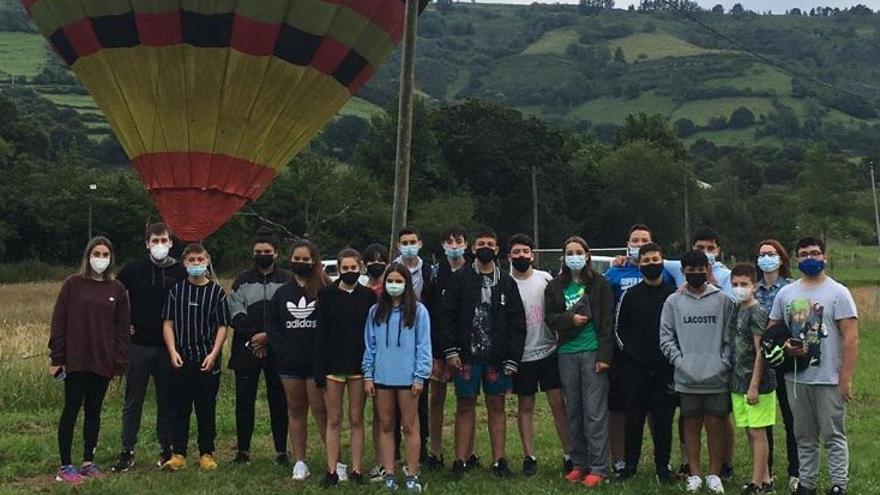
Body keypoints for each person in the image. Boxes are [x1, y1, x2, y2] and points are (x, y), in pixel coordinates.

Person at [769, 237, 859, 495]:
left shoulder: (838, 292)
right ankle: (806, 483)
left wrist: (845, 377)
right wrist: (785, 346)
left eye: (815, 253)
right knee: (804, 436)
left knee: (833, 436)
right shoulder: (786, 293)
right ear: (797, 259)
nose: (810, 258)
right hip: (797, 378)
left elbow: (851, 337)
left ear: (824, 257)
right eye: (805, 254)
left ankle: (838, 484)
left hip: (828, 377)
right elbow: (773, 331)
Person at [440, 229, 526, 480]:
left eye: (490, 243)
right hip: (466, 357)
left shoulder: (507, 282)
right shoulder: (460, 278)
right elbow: (447, 317)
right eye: (481, 244)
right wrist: (451, 351)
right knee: (465, 407)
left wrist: (512, 358)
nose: (485, 247)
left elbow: (517, 323)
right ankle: (460, 460)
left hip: (497, 359)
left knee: (497, 407)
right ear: (473, 249)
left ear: (497, 249)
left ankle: (499, 460)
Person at [50, 236, 130, 484]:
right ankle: (65, 465)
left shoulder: (117, 290)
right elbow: (59, 322)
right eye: (97, 253)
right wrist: (57, 357)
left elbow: (122, 328)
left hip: (102, 361)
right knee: (71, 410)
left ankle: (88, 461)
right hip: (75, 361)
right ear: (88, 256)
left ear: (111, 258)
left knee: (94, 412)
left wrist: (119, 361)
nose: (101, 259)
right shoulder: (73, 284)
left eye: (106, 254)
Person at [663, 226, 736, 480]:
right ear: (683, 272)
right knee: (690, 424)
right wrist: (680, 362)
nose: (695, 274)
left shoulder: (723, 300)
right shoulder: (673, 301)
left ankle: (714, 474)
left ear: (708, 269)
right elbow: (666, 338)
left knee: (716, 425)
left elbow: (730, 338)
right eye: (690, 270)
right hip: (686, 376)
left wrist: (723, 363)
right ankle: (694, 474)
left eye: (700, 269)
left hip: (716, 376)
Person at [112, 223, 185, 473]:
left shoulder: (181, 270)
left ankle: (166, 448)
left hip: (168, 347)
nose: (160, 245)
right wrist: (123, 325)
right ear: (147, 243)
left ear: (172, 242)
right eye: (155, 240)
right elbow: (114, 297)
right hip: (139, 346)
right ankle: (127, 450)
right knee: (133, 400)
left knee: (166, 400)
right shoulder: (133, 270)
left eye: (164, 240)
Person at [544, 236, 614, 488]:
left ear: (587, 255)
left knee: (594, 412)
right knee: (573, 410)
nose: (574, 256)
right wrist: (568, 320)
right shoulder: (554, 286)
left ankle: (598, 467)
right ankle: (578, 464)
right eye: (569, 252)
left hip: (593, 352)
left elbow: (608, 320)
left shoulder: (600, 284)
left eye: (578, 251)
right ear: (563, 257)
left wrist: (605, 356)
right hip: (567, 353)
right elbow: (550, 318)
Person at [603, 224, 672, 475]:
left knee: (663, 419)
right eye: (647, 260)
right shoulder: (628, 292)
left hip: (665, 367)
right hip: (633, 366)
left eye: (655, 259)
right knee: (632, 417)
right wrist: (632, 357)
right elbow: (619, 329)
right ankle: (628, 464)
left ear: (662, 261)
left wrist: (669, 357)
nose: (651, 262)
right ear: (640, 263)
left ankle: (663, 465)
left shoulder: (672, 292)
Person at [363, 263, 432, 492]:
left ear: (407, 284)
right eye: (390, 281)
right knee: (386, 425)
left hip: (408, 379)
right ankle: (389, 471)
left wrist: (420, 375)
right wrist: (368, 375)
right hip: (382, 377)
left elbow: (423, 345)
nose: (394, 285)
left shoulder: (419, 311)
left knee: (410, 426)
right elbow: (370, 345)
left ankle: (412, 472)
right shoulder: (375, 312)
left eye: (398, 281)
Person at [160, 243, 229, 472]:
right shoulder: (176, 291)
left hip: (206, 359)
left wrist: (214, 354)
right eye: (192, 260)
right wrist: (172, 351)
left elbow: (222, 326)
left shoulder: (217, 292)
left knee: (205, 407)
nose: (196, 263)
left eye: (200, 259)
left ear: (207, 260)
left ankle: (206, 453)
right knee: (179, 408)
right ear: (184, 263)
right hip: (181, 357)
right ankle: (178, 453)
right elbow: (168, 323)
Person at [266, 239, 331, 481]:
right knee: (295, 411)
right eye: (297, 258)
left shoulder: (325, 289)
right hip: (289, 365)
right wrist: (284, 351)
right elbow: (272, 327)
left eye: (306, 259)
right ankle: (300, 462)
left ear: (314, 261)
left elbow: (332, 326)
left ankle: (333, 460)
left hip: (317, 364)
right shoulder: (282, 293)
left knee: (321, 411)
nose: (301, 263)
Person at [226, 227, 290, 465]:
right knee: (244, 401)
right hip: (246, 347)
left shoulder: (286, 280)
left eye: (267, 251)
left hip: (278, 349)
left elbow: (288, 314)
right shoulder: (241, 280)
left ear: (276, 253)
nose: (262, 254)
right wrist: (256, 337)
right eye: (258, 251)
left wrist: (269, 337)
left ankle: (281, 451)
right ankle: (242, 451)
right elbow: (236, 313)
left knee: (279, 400)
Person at [507, 233, 569, 476]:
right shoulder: (506, 282)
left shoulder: (545, 279)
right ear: (509, 256)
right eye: (517, 252)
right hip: (522, 356)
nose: (521, 256)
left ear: (533, 255)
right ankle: (529, 456)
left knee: (557, 403)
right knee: (526, 405)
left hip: (549, 352)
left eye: (525, 251)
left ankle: (569, 454)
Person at [315, 248, 377, 487]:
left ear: (360, 267)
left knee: (356, 418)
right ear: (338, 269)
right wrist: (319, 370)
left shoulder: (369, 297)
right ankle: (331, 470)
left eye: (353, 268)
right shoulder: (326, 295)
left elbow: (372, 335)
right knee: (334, 419)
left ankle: (357, 469)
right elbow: (320, 334)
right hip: (332, 366)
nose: (349, 272)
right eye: (345, 268)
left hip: (359, 367)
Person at [426, 225, 474, 471]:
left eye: (459, 241)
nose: (454, 246)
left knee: (467, 400)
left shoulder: (474, 271)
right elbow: (430, 310)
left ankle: (467, 452)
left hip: (468, 347)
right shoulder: (435, 273)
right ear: (443, 245)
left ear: (466, 243)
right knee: (437, 399)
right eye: (449, 242)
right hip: (438, 346)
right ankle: (435, 451)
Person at [754, 239, 798, 492]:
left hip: (787, 360)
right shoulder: (753, 290)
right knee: (764, 422)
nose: (766, 258)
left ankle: (796, 471)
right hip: (761, 362)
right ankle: (765, 472)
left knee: (792, 419)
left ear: (781, 259)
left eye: (771, 254)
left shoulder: (792, 288)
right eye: (762, 254)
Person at [728, 263, 776, 493]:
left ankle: (757, 483)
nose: (739, 288)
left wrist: (755, 385)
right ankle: (765, 477)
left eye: (744, 284)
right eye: (735, 284)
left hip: (757, 383)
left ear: (754, 286)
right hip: (738, 381)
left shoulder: (758, 313)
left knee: (758, 431)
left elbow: (761, 352)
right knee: (749, 430)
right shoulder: (737, 308)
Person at [395, 226, 434, 462]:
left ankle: (421, 449)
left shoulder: (430, 271)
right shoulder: (394, 270)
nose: (409, 245)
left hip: (420, 340)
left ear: (420, 243)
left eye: (413, 241)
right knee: (393, 404)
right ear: (398, 246)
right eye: (404, 242)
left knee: (420, 401)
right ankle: (395, 450)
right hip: (396, 344)